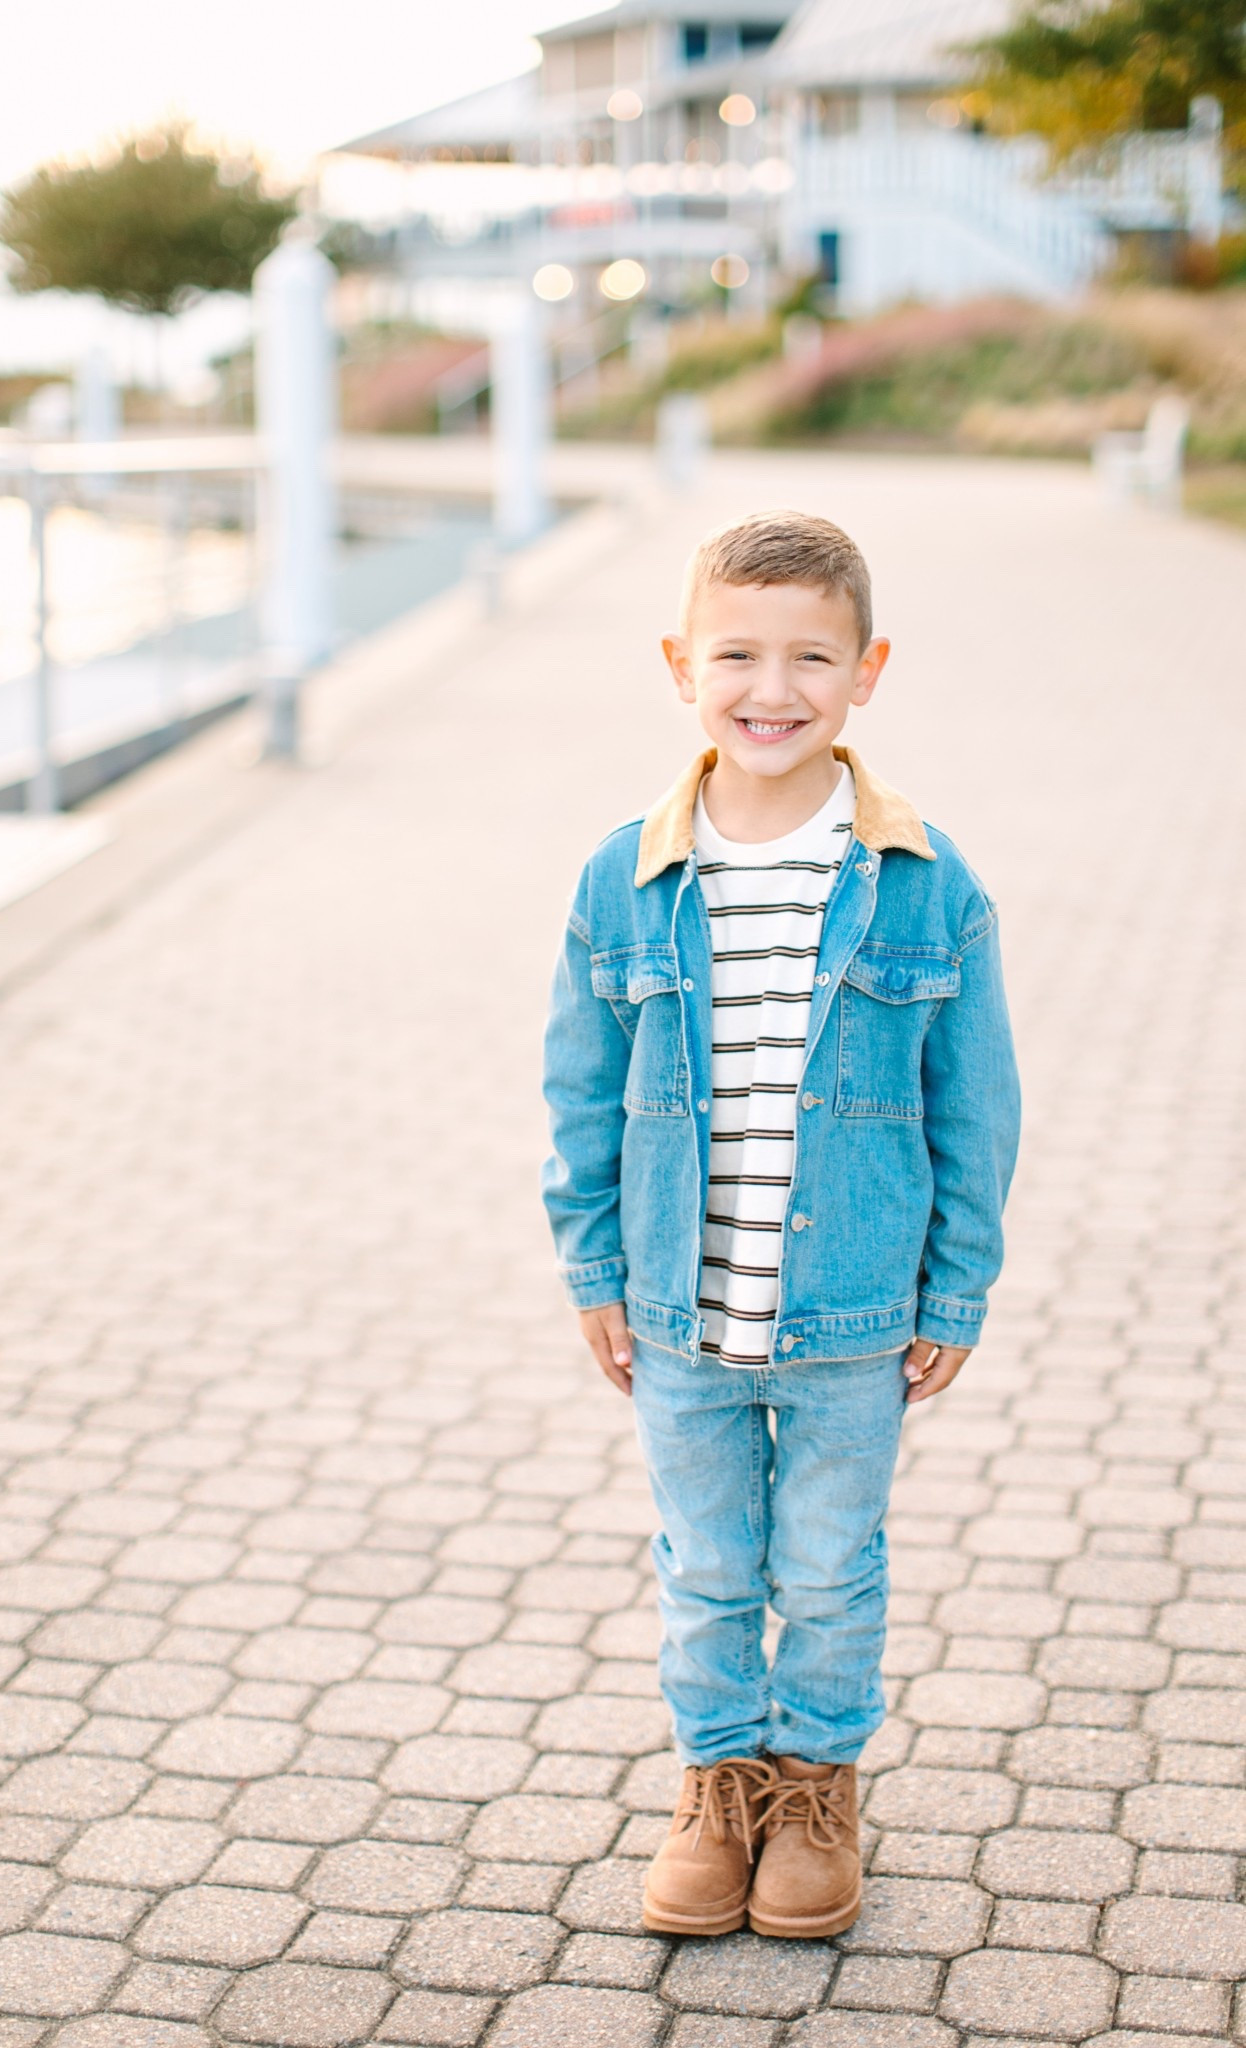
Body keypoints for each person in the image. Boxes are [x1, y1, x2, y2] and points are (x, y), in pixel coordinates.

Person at [541, 510, 1020, 1940]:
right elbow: (577, 1092)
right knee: (704, 1569)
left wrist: (954, 1292)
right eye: (737, 654)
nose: (773, 688)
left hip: (850, 1316)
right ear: (682, 665)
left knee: (825, 1566)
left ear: (866, 670)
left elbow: (972, 1112)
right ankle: (714, 1783)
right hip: (680, 1313)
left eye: (810, 657)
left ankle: (813, 1785)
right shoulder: (622, 873)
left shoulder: (925, 883)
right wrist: (591, 1268)